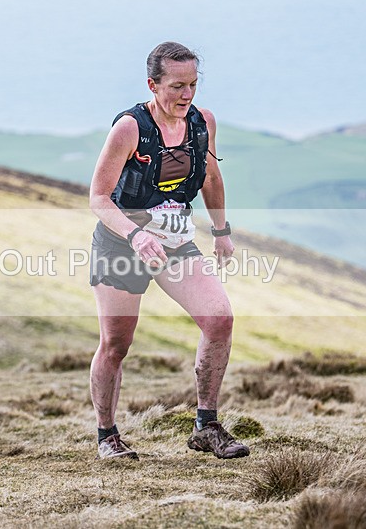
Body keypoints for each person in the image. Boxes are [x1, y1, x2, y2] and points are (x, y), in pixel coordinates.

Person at [88, 42, 249, 460]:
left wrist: (221, 231)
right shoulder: (129, 127)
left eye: (193, 84)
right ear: (152, 84)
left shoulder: (201, 122)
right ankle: (108, 434)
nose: (187, 94)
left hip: (176, 241)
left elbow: (211, 177)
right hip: (121, 242)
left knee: (219, 319)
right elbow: (99, 198)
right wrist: (135, 235)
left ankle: (206, 425)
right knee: (116, 344)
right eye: (177, 85)